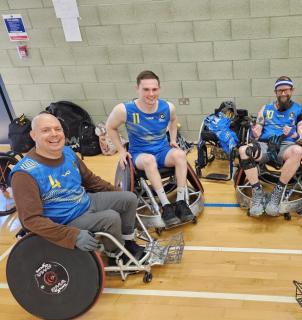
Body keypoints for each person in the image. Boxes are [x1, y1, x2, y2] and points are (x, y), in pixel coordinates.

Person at [10, 112, 142, 261]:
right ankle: (117, 255)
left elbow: (91, 180)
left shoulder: (67, 152)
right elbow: (30, 220)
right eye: (46, 130)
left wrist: (117, 192)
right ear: (34, 135)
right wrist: (72, 235)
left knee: (129, 198)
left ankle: (127, 242)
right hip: (65, 219)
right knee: (111, 218)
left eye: (58, 129)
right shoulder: (24, 174)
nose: (54, 134)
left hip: (84, 201)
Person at [106, 70, 194, 227]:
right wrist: (121, 150)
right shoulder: (124, 110)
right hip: (140, 154)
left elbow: (173, 122)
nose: (151, 93)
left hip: (162, 151)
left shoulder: (168, 107)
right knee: (149, 160)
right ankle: (166, 205)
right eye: (146, 89)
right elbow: (110, 127)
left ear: (159, 89)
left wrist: (173, 140)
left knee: (180, 154)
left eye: (154, 89)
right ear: (137, 89)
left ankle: (181, 202)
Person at [238, 76, 302, 217]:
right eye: (280, 90)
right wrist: (254, 132)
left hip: (285, 146)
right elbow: (256, 132)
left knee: (299, 151)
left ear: (292, 90)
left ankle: (278, 191)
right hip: (265, 145)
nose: (283, 93)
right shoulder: (265, 109)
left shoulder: (299, 111)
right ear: (275, 92)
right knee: (243, 150)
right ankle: (257, 192)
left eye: (286, 90)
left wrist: (294, 134)